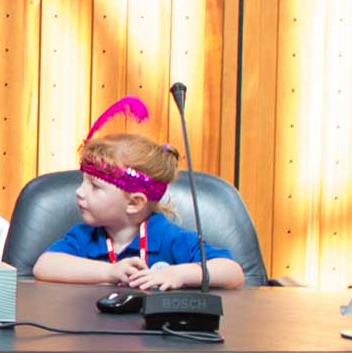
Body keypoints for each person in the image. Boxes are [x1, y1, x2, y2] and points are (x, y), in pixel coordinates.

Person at [31, 97, 239, 290]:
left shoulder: (169, 237)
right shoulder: (85, 236)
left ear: (134, 203)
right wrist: (110, 272)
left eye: (94, 186)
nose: (79, 192)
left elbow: (233, 272)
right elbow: (44, 265)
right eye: (82, 182)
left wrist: (179, 274)